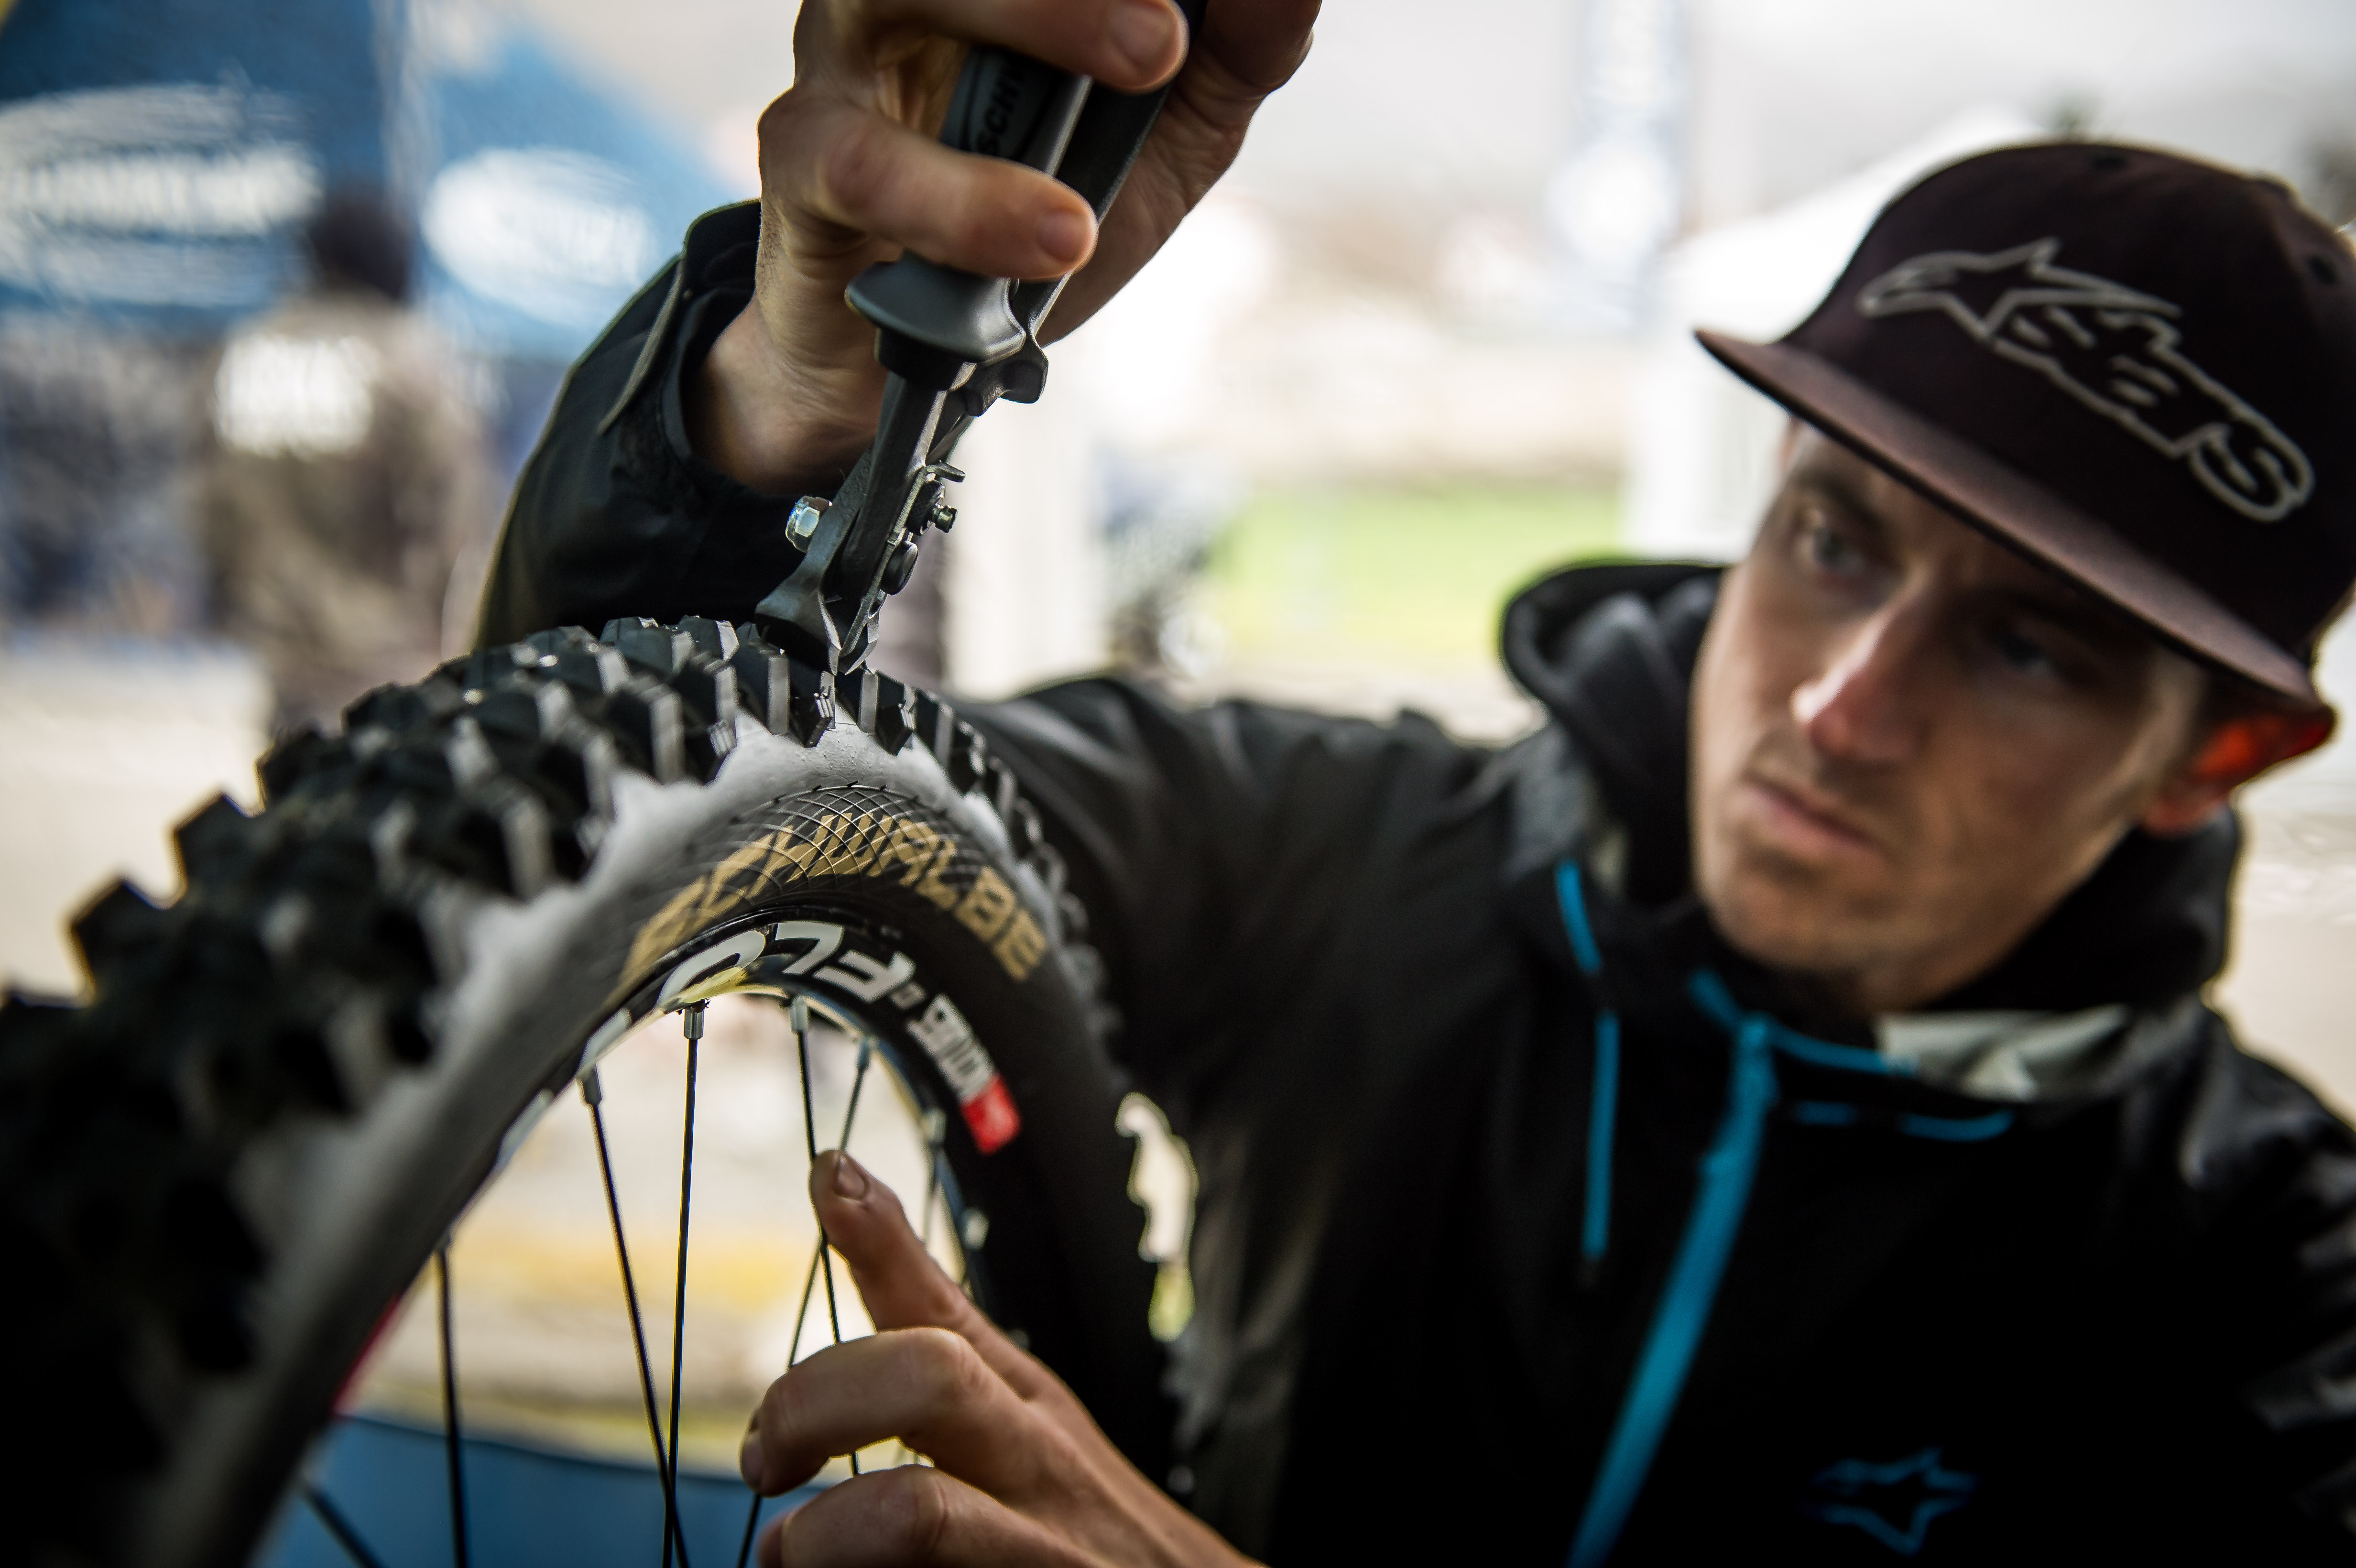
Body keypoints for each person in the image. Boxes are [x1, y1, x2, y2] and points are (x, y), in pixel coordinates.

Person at [475, 2, 2356, 1560]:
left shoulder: (2266, 1271)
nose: (1842, 706)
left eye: (2027, 647)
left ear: (2214, 753)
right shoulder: (1331, 852)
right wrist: (787, 396)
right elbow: (596, 786)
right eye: (1834, 540)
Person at [201, 185, 492, 730]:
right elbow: (453, 514)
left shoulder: (247, 351)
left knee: (293, 791)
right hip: (383, 650)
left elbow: (209, 501)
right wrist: (451, 632)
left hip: (279, 643)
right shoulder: (409, 361)